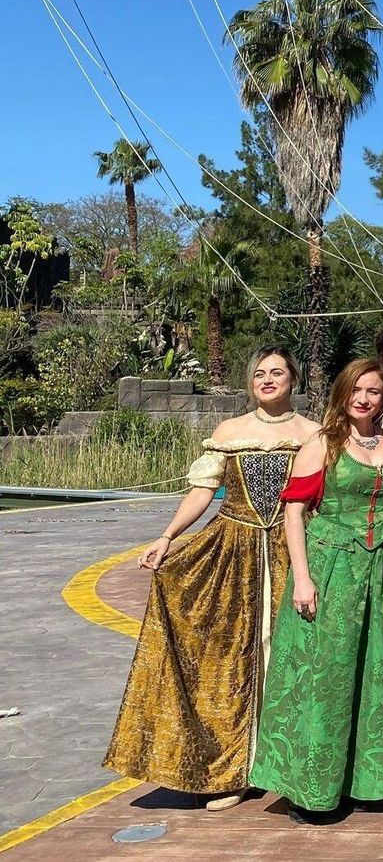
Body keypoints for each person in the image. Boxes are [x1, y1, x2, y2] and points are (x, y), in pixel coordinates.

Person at [104, 347, 319, 811]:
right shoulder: (230, 431)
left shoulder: (314, 433)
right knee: (231, 657)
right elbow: (204, 491)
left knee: (290, 654)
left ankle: (288, 766)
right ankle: (235, 771)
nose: (267, 380)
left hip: (295, 550)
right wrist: (167, 537)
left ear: (293, 380)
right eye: (259, 373)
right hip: (232, 551)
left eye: (277, 372)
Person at [251, 359, 383, 824]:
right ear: (343, 392)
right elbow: (295, 513)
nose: (364, 399)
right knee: (328, 674)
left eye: (375, 392)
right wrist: (302, 578)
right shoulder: (321, 443)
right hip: (332, 569)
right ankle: (315, 789)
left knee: (378, 670)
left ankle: (371, 781)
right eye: (357, 389)